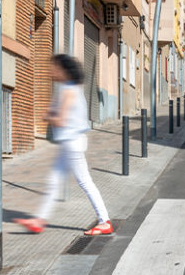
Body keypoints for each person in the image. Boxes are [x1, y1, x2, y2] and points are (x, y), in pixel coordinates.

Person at [15, 54, 113, 236]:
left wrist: (48, 116)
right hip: (70, 143)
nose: (51, 71)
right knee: (54, 181)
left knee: (84, 182)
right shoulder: (71, 89)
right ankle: (39, 220)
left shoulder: (68, 91)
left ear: (64, 71)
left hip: (72, 143)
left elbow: (61, 120)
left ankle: (104, 221)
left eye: (55, 68)